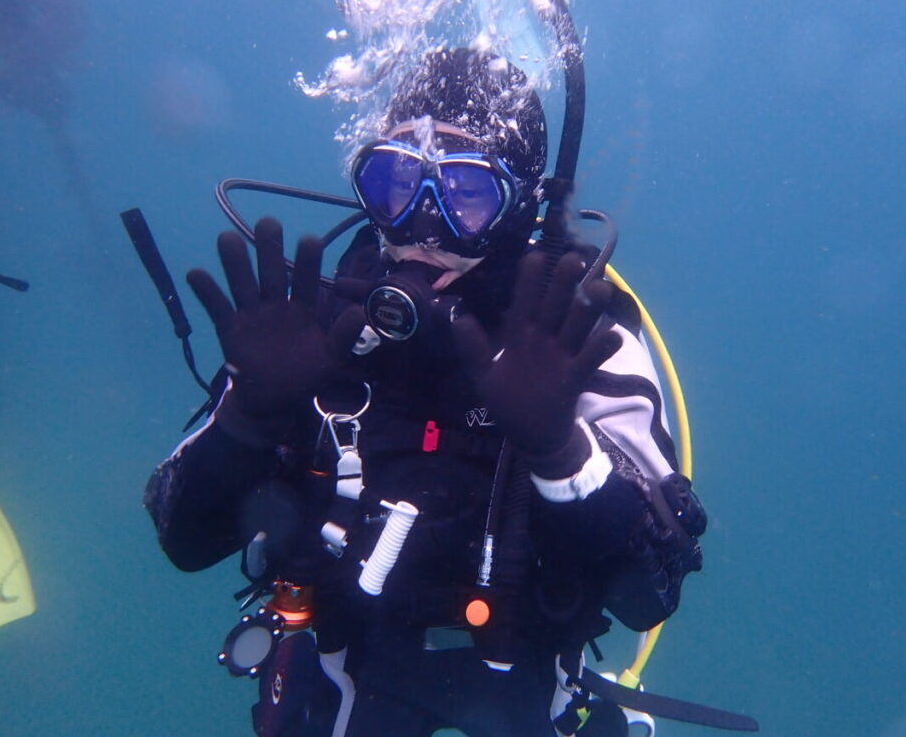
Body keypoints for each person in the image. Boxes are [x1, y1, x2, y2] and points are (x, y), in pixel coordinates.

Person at [143, 47, 707, 737]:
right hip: (344, 662)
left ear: (520, 205)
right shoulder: (307, 327)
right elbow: (184, 540)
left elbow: (649, 596)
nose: (423, 225)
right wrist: (249, 414)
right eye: (395, 182)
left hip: (529, 670)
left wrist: (562, 450)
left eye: (467, 192)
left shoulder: (576, 334)